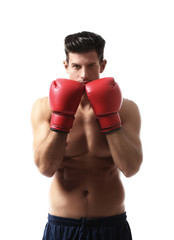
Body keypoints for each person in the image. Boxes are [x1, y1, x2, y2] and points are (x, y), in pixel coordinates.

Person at [31, 31, 143, 240]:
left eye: (91, 65)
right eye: (76, 66)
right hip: (62, 225)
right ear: (66, 66)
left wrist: (109, 118)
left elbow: (131, 168)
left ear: (102, 65)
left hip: (111, 225)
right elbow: (45, 168)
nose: (84, 74)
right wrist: (62, 118)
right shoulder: (43, 108)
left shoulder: (126, 109)